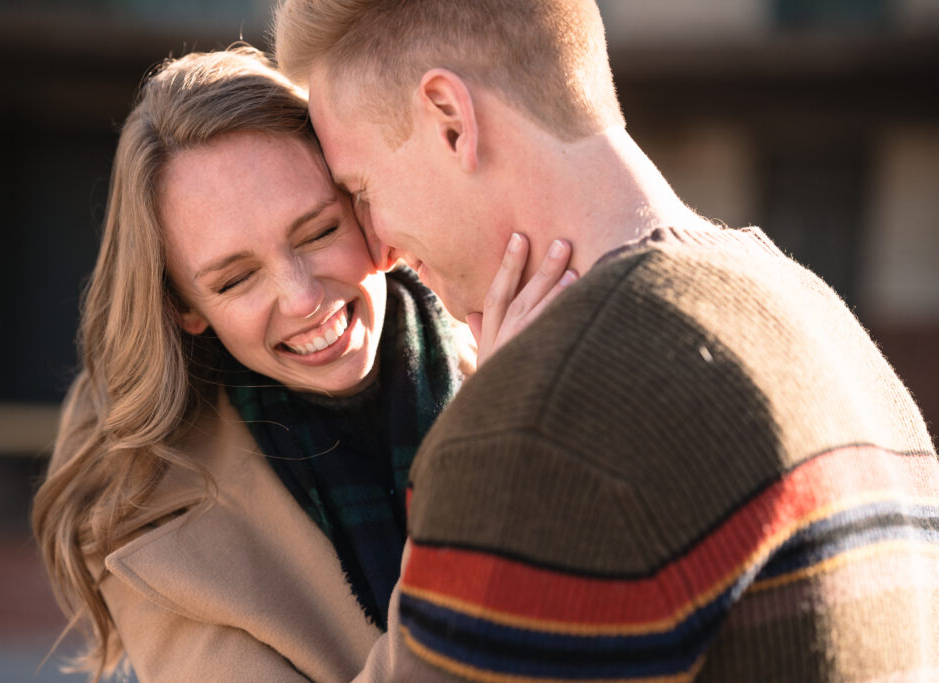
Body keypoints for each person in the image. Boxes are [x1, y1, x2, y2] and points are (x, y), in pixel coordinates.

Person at [273, 1, 939, 681]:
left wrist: (497, 414)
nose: (377, 248)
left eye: (362, 189)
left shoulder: (544, 422)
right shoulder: (820, 317)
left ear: (451, 120)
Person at [31, 45, 571, 682]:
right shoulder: (148, 516)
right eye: (235, 280)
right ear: (185, 308)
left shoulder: (516, 340)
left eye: (318, 232)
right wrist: (489, 468)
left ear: (364, 201)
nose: (303, 297)